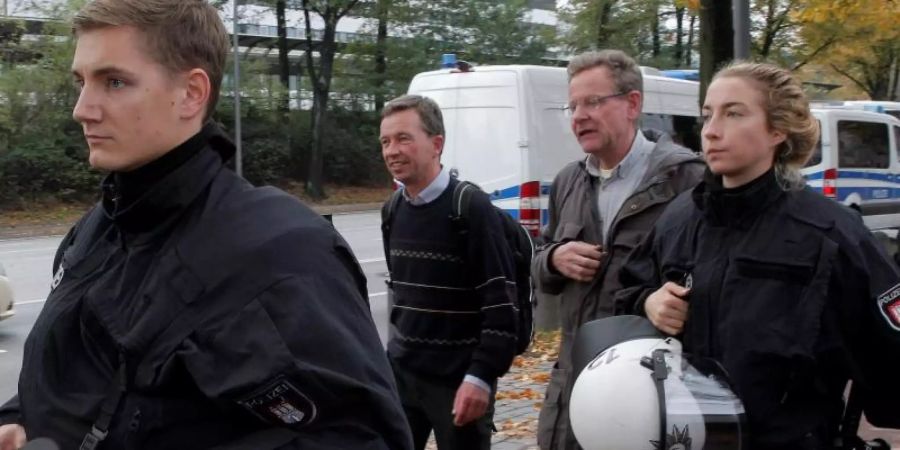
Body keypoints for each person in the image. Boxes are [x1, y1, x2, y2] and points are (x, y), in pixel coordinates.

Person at [0, 1, 413, 449]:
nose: (83, 109)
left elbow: (362, 438)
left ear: (192, 93)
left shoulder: (279, 252)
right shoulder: (96, 230)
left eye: (114, 81)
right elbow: (60, 379)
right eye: (81, 82)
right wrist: (18, 419)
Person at [615, 61, 900, 449]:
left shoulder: (830, 235)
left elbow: (889, 364)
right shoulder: (678, 219)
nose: (712, 130)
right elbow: (626, 296)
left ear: (778, 130)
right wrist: (649, 301)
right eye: (707, 115)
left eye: (734, 113)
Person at [531, 50, 704, 450]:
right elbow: (538, 260)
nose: (578, 116)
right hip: (574, 384)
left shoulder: (687, 180)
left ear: (632, 104)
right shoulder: (567, 182)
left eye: (592, 102)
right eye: (572, 105)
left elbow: (711, 283)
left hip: (649, 393)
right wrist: (555, 259)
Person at [379, 94, 518, 450]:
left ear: (436, 144)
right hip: (403, 375)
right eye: (385, 141)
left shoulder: (470, 207)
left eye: (403, 138)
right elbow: (403, 297)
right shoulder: (393, 209)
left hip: (458, 382)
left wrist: (482, 377)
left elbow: (501, 306)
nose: (392, 150)